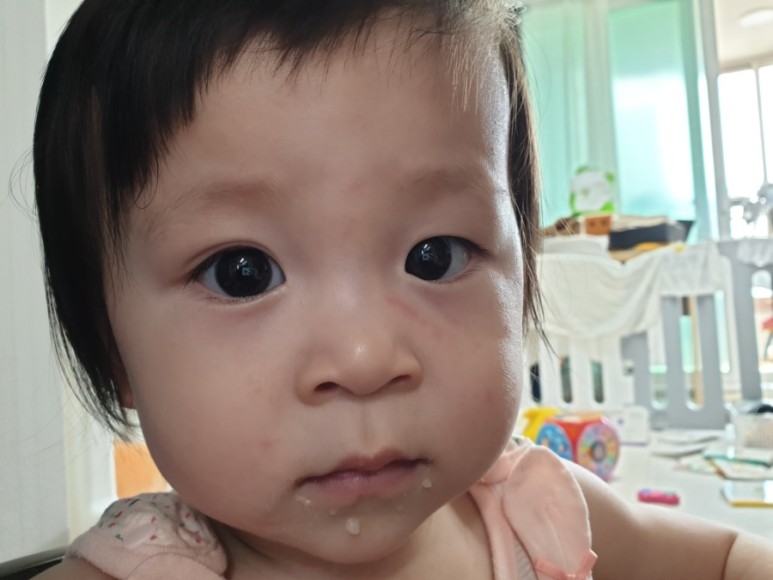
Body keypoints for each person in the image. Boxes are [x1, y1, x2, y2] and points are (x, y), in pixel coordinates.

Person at [32, 1, 773, 578]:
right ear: (112, 346)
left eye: (433, 257)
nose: (364, 358)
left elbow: (727, 562)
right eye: (241, 272)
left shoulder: (539, 520)